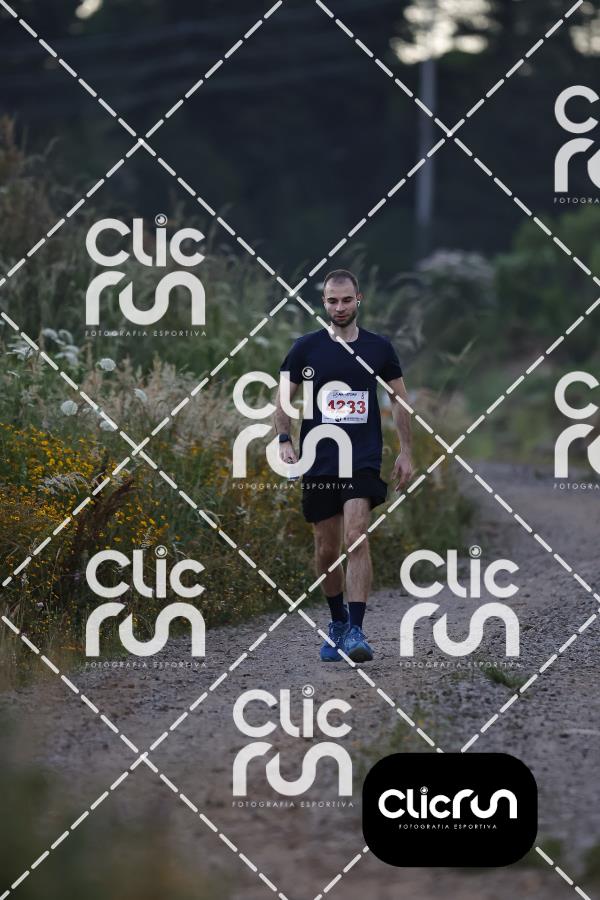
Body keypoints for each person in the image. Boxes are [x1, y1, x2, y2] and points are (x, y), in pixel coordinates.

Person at [273, 269, 413, 663]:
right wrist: (284, 440)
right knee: (325, 549)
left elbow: (399, 399)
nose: (339, 307)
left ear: (358, 299)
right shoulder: (306, 348)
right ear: (323, 303)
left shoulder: (378, 348)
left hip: (362, 457)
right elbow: (283, 399)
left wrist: (406, 450)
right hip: (319, 459)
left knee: (356, 537)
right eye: (332, 301)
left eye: (346, 300)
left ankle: (356, 630)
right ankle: (337, 623)